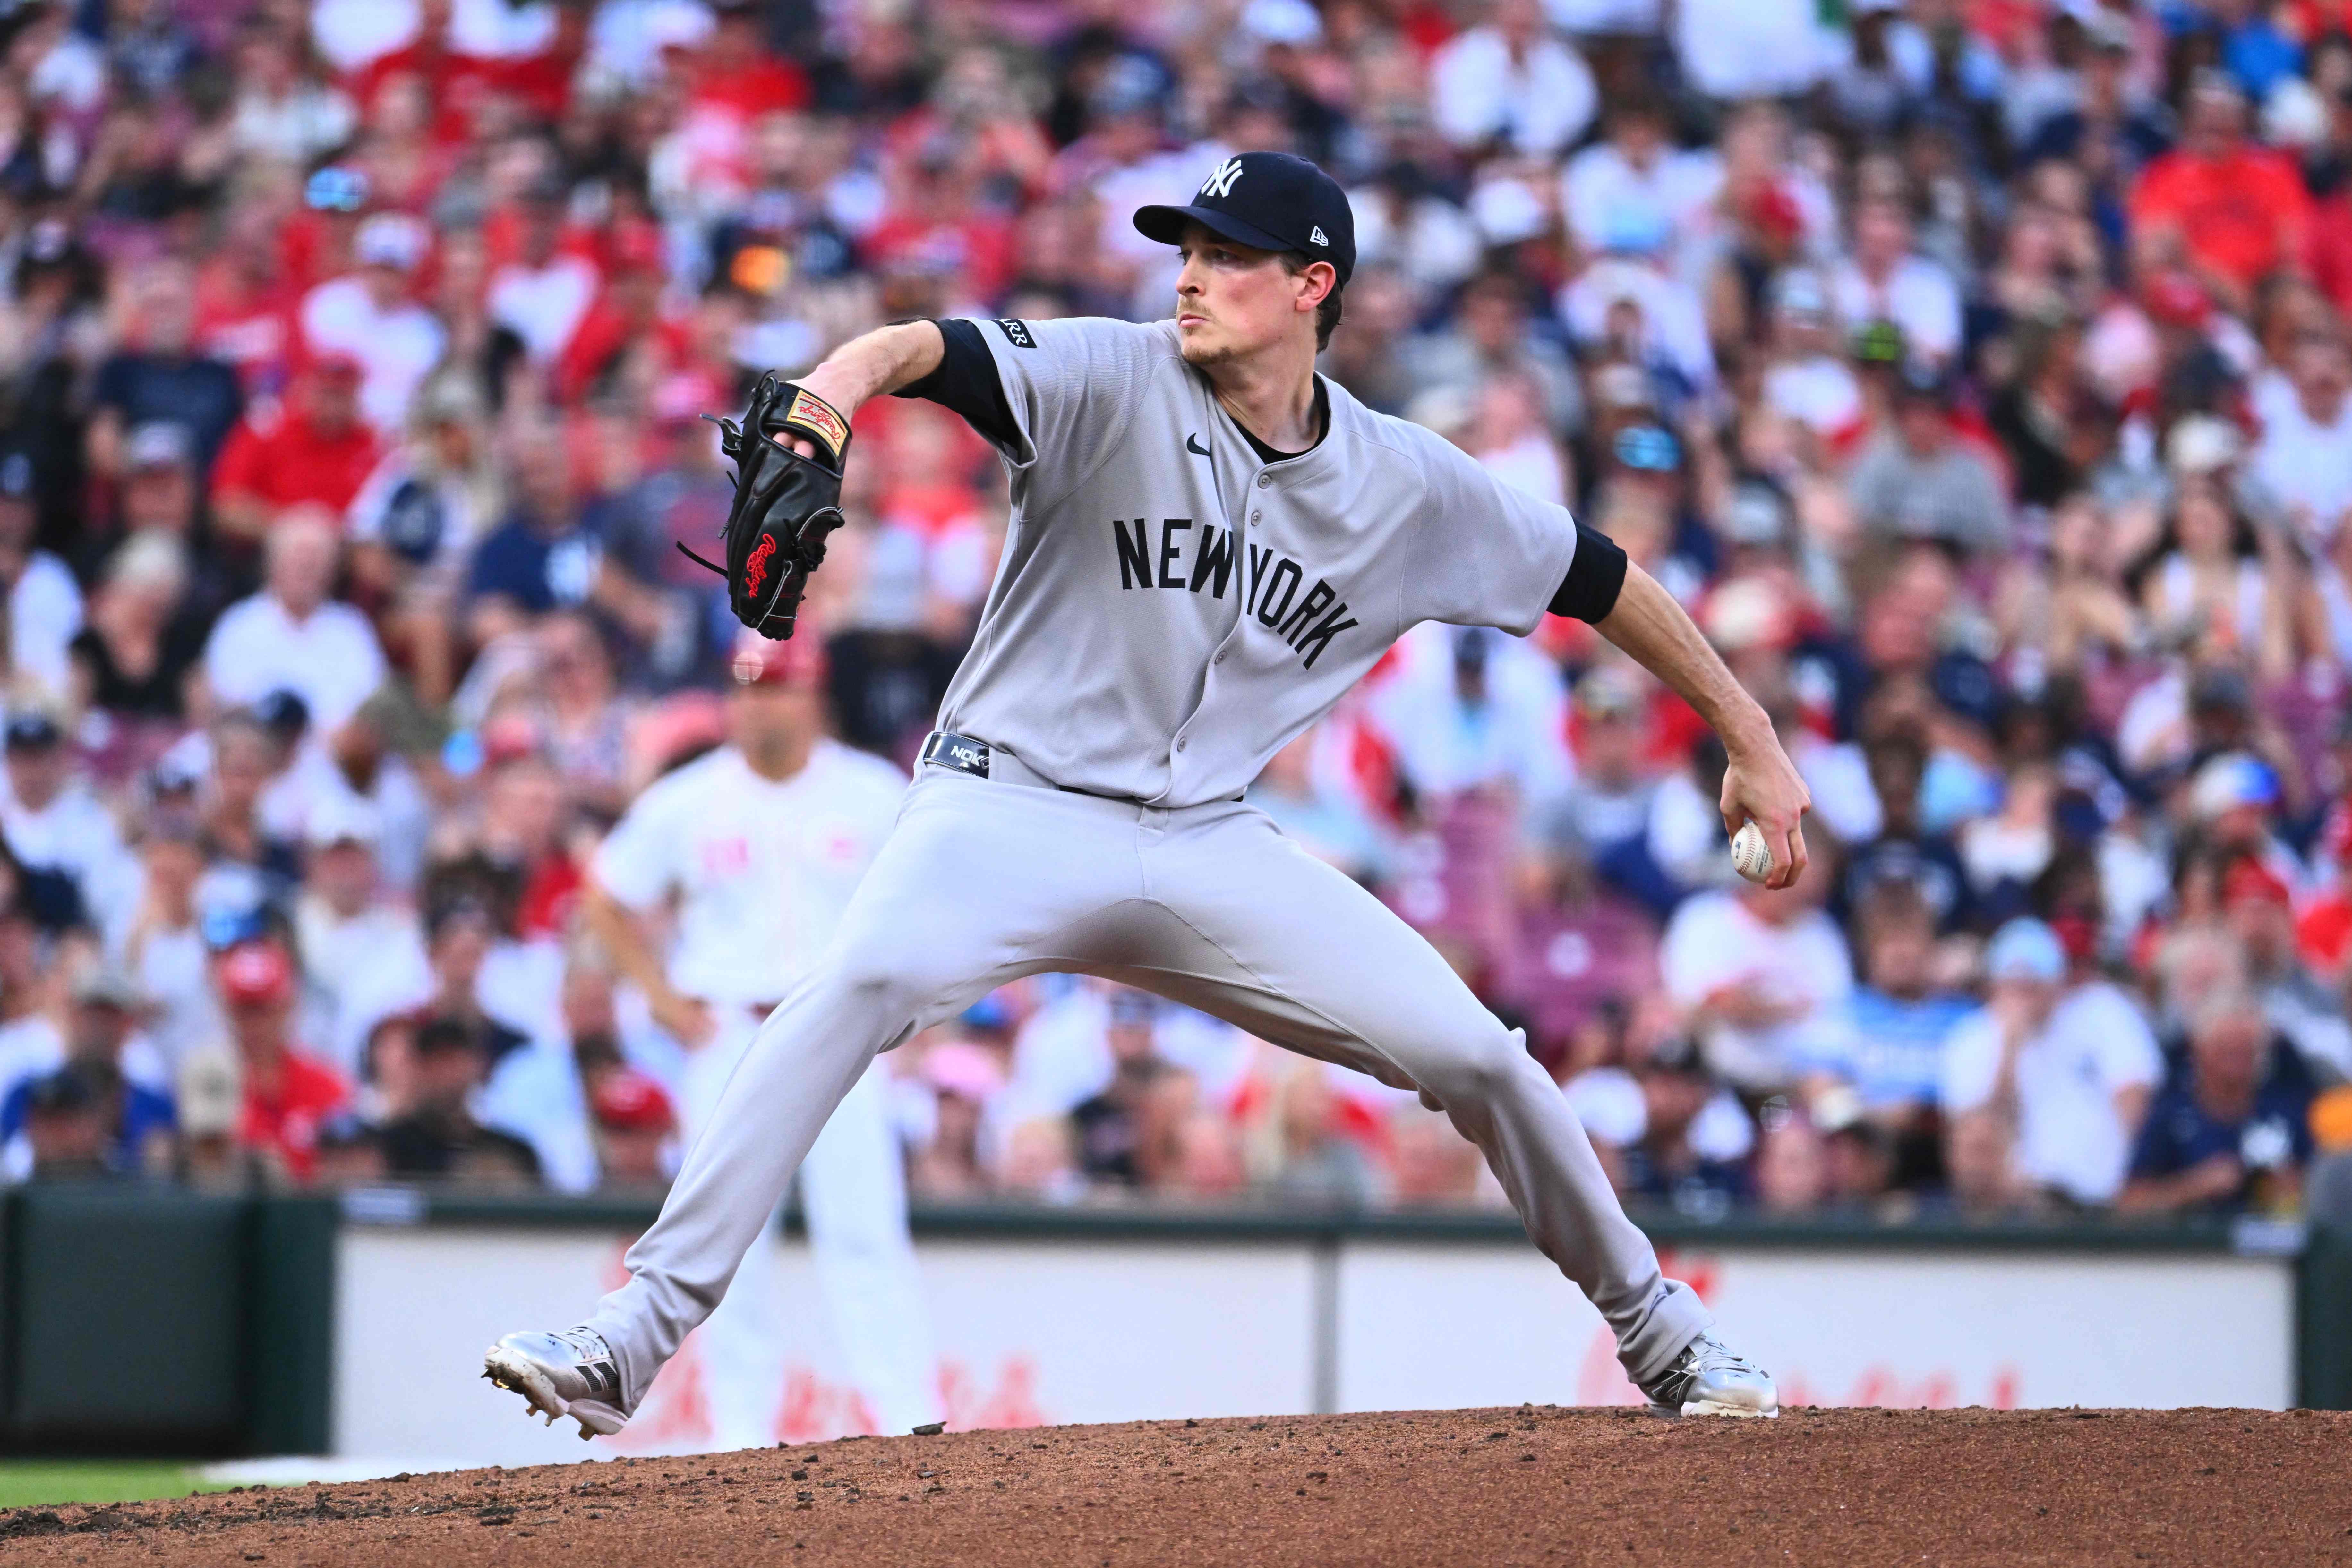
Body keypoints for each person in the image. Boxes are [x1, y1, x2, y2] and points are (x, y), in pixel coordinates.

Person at [486, 150, 1807, 1435]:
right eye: (1186, 250)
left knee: (1480, 1058)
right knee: (851, 988)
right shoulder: (1115, 372)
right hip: (1004, 808)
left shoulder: (1405, 484)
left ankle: (1662, 1334)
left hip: (1208, 843)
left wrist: (1752, 738)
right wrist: (829, 395)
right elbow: (922, 347)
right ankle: (632, 1336)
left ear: (1312, 285)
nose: (1191, 278)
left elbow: (1601, 576)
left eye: (1228, 258)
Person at [575, 630, 942, 1446]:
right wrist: (661, 997)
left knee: (866, 1233)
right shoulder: (691, 795)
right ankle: (740, 1434)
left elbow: (935, 897)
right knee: (726, 1240)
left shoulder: (873, 791)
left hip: (842, 1036)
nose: (755, 702)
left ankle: (905, 1419)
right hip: (731, 1033)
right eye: (744, 686)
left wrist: (913, 1011)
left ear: (811, 693)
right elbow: (605, 893)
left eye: (772, 686)